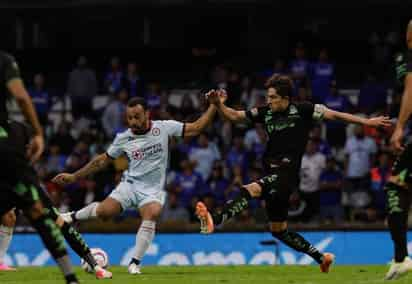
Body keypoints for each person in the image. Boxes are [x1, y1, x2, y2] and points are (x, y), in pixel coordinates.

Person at [197, 74, 391, 273]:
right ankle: (322, 257)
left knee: (250, 189)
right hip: (272, 173)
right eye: (268, 97)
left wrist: (367, 122)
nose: (268, 101)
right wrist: (219, 105)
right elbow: (235, 116)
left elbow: (335, 115)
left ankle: (215, 220)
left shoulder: (304, 110)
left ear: (285, 98)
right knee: (278, 230)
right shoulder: (265, 113)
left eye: (273, 97)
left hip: (286, 174)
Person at [53, 94, 218, 274]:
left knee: (152, 212)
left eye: (136, 117)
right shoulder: (124, 138)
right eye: (129, 117)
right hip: (130, 185)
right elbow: (101, 161)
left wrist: (214, 105)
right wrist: (74, 176)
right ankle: (71, 216)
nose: (132, 121)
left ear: (147, 114)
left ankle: (134, 263)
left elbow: (196, 128)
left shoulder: (164, 128)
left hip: (152, 189)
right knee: (104, 212)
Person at [0, 51, 78, 284]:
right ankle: (71, 278)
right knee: (38, 211)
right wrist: (37, 132)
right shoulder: (3, 60)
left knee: (9, 215)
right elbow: (21, 97)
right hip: (3, 143)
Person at [0, 121, 112, 279]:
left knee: (15, 217)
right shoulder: (23, 170)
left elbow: (62, 226)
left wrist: (95, 266)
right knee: (55, 222)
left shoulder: (25, 174)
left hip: (17, 182)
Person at [384, 20, 412, 280]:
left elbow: (411, 89)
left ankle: (402, 258)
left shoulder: (408, 57)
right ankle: (401, 257)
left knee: (396, 187)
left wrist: (400, 126)